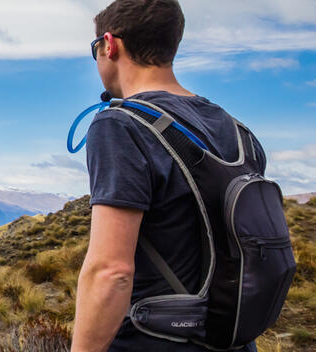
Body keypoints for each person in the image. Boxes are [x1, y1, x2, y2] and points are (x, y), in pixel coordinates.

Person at [70, 0, 264, 351]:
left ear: (109, 45)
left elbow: (111, 271)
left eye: (95, 49)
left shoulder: (120, 124)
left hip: (153, 340)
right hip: (231, 339)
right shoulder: (237, 131)